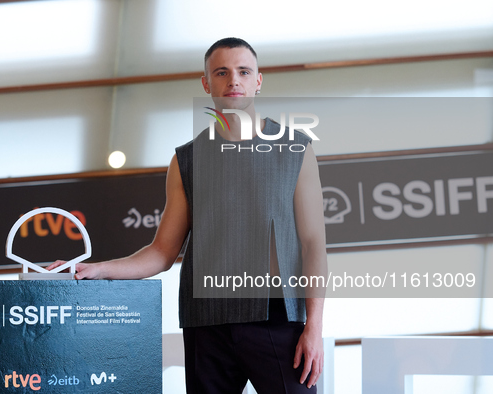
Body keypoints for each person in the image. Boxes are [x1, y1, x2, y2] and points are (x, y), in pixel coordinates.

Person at [49, 37, 327, 394]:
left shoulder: (296, 149)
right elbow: (162, 252)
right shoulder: (186, 160)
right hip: (206, 325)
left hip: (278, 320)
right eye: (222, 72)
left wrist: (314, 327)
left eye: (244, 71)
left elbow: (313, 244)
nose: (234, 81)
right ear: (206, 83)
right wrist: (96, 269)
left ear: (258, 80)